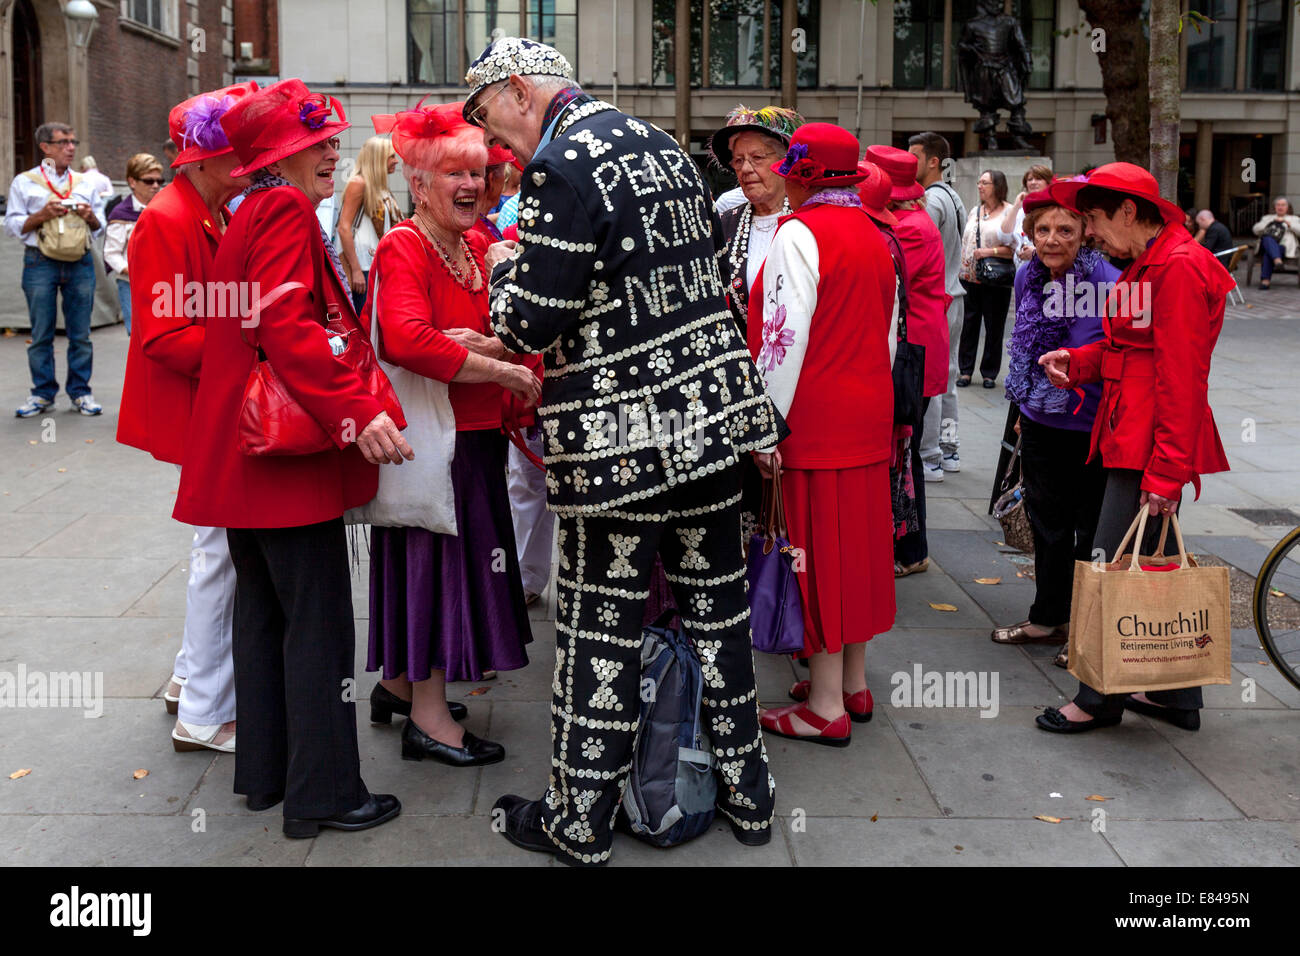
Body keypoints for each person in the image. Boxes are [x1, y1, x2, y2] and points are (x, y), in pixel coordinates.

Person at [466, 36, 783, 865]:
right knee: (719, 615)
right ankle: (748, 800)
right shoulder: (664, 147)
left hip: (620, 447)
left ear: (520, 89)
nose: (494, 141)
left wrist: (503, 264)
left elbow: (526, 321)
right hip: (712, 423)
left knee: (598, 627)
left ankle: (579, 823)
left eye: (489, 116)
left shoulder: (561, 164)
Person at [175, 79, 409, 835]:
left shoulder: (252, 208)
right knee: (318, 628)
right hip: (280, 461)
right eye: (320, 144)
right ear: (284, 153)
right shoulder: (280, 208)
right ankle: (326, 792)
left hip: (248, 460)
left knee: (266, 615)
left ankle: (271, 774)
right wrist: (355, 410)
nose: (333, 154)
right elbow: (286, 324)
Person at [363, 100, 540, 766]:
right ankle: (430, 722)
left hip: (470, 437)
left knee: (435, 569)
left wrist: (493, 348)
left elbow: (497, 326)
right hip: (439, 446)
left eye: (478, 171)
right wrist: (498, 366)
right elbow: (407, 339)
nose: (471, 185)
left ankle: (399, 685)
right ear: (416, 181)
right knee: (437, 573)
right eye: (453, 175)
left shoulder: (470, 245)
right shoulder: (403, 244)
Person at [1037, 162, 1233, 734]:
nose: (1090, 232)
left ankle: (1097, 698)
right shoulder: (1159, 260)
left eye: (1093, 219)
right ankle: (1176, 695)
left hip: (1147, 443)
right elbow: (1137, 352)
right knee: (1149, 562)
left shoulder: (1174, 267)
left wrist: (1167, 472)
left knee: (1110, 563)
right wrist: (1081, 362)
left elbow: (1182, 377)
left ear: (1127, 211)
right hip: (1136, 434)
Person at [118, 85, 259, 751]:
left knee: (216, 554)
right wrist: (253, 349)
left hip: (205, 403)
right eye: (232, 157)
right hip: (197, 408)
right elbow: (163, 335)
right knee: (218, 557)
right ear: (198, 160)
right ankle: (203, 713)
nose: (244, 167)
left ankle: (187, 684)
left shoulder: (202, 209)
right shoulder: (169, 218)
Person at [750, 124, 898, 745]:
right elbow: (890, 336)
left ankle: (826, 707)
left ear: (799, 173)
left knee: (815, 554)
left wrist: (761, 426)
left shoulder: (798, 233)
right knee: (856, 550)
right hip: (867, 412)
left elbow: (783, 339)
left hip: (813, 419)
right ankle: (852, 683)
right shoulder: (875, 232)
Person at [991, 189, 1117, 666]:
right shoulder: (1027, 276)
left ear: (1085, 232)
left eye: (1065, 230)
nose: (1052, 239)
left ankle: (1084, 632)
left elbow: (1117, 353)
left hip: (1091, 423)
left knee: (1090, 530)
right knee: (1048, 525)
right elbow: (1022, 346)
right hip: (1041, 419)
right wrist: (1024, 410)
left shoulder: (1110, 280)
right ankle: (1047, 617)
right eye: (1042, 230)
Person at [868, 144, 949, 578]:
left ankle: (911, 550)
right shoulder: (911, 221)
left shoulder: (911, 228)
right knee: (905, 451)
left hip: (912, 354)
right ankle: (906, 546)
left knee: (906, 452)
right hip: (914, 350)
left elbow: (887, 281)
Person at [6, 122, 103, 417]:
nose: (71, 148)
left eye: (73, 142)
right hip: (40, 261)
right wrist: (41, 215)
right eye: (63, 142)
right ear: (45, 148)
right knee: (41, 333)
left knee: (81, 333)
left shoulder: (85, 182)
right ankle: (42, 393)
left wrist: (89, 216)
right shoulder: (24, 182)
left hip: (80, 260)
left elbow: (101, 225)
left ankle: (80, 392)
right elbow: (13, 224)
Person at [711, 105, 804, 337]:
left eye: (757, 158)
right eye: (738, 160)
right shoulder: (724, 224)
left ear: (787, 162)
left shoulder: (808, 222)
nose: (746, 169)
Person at [908, 132, 966, 480]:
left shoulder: (931, 201)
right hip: (953, 295)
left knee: (929, 381)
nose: (908, 162)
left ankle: (929, 456)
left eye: (914, 156)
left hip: (938, 300)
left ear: (933, 161)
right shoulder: (953, 196)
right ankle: (948, 450)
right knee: (948, 379)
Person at [958, 168, 1015, 388]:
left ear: (997, 186)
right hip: (970, 278)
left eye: (985, 183)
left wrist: (989, 252)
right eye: (979, 182)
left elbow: (1013, 249)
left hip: (996, 279)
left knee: (994, 326)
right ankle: (965, 371)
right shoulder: (975, 211)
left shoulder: (1008, 212)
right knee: (969, 325)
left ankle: (989, 373)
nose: (980, 186)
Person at [337, 135, 400, 313]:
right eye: (391, 156)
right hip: (363, 267)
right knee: (365, 323)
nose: (396, 161)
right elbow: (344, 227)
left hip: (379, 266)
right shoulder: (358, 183)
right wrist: (356, 270)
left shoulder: (379, 186)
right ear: (378, 158)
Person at [103, 153, 164, 335]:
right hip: (131, 284)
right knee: (138, 334)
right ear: (132, 182)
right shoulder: (121, 213)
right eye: (148, 181)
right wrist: (130, 269)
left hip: (163, 283)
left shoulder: (164, 207)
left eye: (159, 181)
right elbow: (111, 253)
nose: (155, 186)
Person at [998, 164, 1053, 261]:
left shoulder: (1054, 209)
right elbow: (1004, 238)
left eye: (1038, 179)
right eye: (1030, 179)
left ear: (1048, 183)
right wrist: (1016, 206)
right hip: (1021, 270)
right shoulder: (1021, 211)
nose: (1033, 182)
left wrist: (1036, 253)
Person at [1250, 196, 1300, 289]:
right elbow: (1255, 230)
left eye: (1283, 205)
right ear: (1275, 207)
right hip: (1265, 245)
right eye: (1278, 205)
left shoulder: (1294, 219)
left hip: (1284, 247)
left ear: (1287, 207)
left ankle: (1265, 281)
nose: (1280, 207)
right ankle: (1277, 261)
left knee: (1268, 253)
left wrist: (1289, 224)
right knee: (1267, 238)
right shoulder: (1267, 218)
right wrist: (1270, 222)